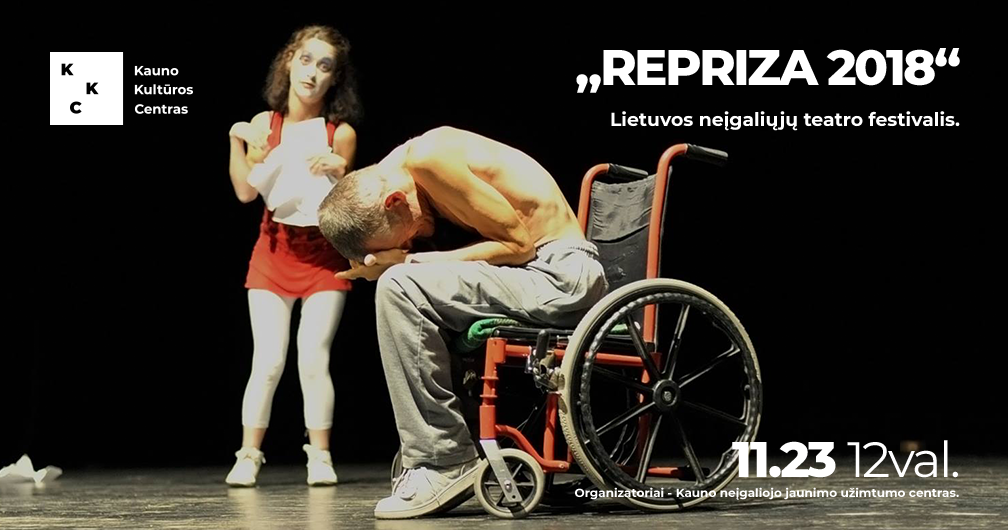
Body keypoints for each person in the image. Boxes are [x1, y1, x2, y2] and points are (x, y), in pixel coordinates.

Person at [317, 126, 608, 518]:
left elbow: (518, 246)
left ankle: (444, 459)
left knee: (400, 284)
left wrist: (406, 261)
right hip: (534, 276)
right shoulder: (397, 170)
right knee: (408, 286)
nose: (408, 243)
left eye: (401, 238)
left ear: (394, 201)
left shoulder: (429, 160)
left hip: (560, 277)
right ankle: (450, 443)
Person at [225, 25, 361, 487]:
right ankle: (248, 454)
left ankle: (320, 457)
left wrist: (343, 171)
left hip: (324, 257)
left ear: (334, 78)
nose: (312, 73)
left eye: (325, 66)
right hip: (274, 251)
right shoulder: (266, 124)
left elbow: (352, 207)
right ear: (289, 61)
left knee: (313, 358)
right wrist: (237, 140)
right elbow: (246, 192)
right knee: (268, 360)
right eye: (306, 60)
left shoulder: (340, 133)